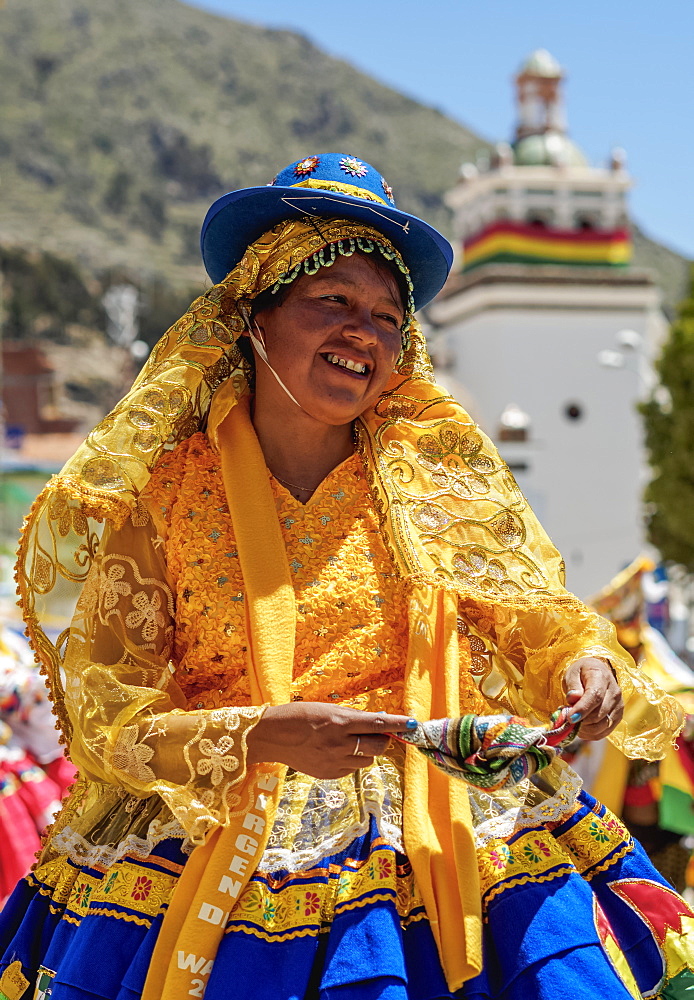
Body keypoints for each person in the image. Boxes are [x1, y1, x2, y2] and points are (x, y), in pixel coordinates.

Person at [0, 153, 691, 1000]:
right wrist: (259, 735)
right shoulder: (162, 498)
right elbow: (110, 716)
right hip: (207, 834)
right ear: (251, 317)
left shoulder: (436, 484)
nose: (364, 331)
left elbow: (534, 616)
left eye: (387, 317)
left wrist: (583, 664)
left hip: (449, 832)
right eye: (333, 301)